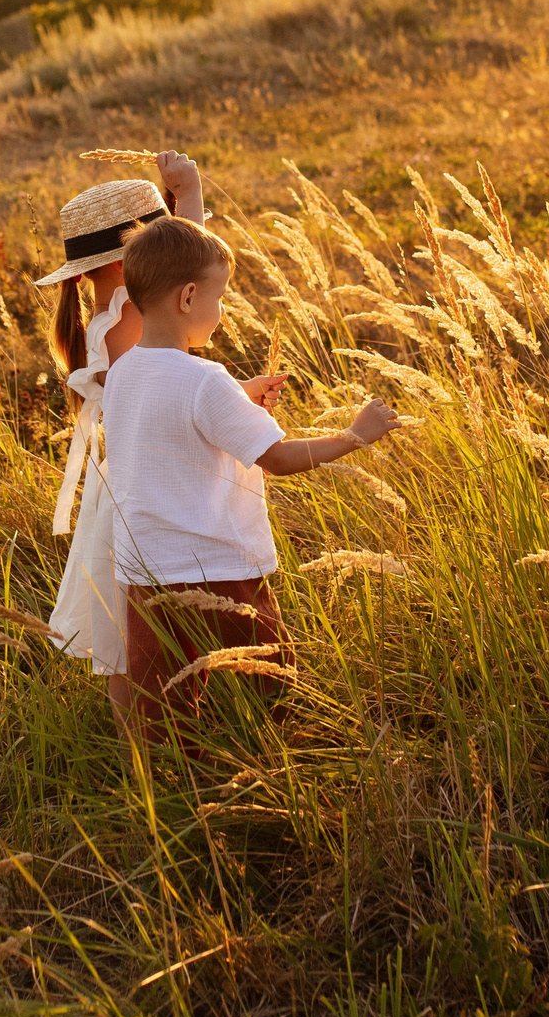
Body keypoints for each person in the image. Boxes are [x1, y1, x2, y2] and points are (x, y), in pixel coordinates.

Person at [102, 214, 403, 748]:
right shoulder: (206, 380)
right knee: (272, 684)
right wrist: (356, 435)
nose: (221, 313)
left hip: (145, 571)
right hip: (219, 569)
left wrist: (238, 396)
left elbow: (169, 409)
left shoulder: (124, 370)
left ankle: (164, 787)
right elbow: (280, 458)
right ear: (189, 297)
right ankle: (276, 764)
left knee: (162, 708)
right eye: (221, 298)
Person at [37, 153, 208, 729]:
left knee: (132, 628)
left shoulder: (112, 315)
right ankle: (141, 743)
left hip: (137, 478)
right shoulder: (126, 315)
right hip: (147, 485)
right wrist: (190, 199)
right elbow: (195, 283)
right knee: (135, 631)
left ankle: (146, 739)